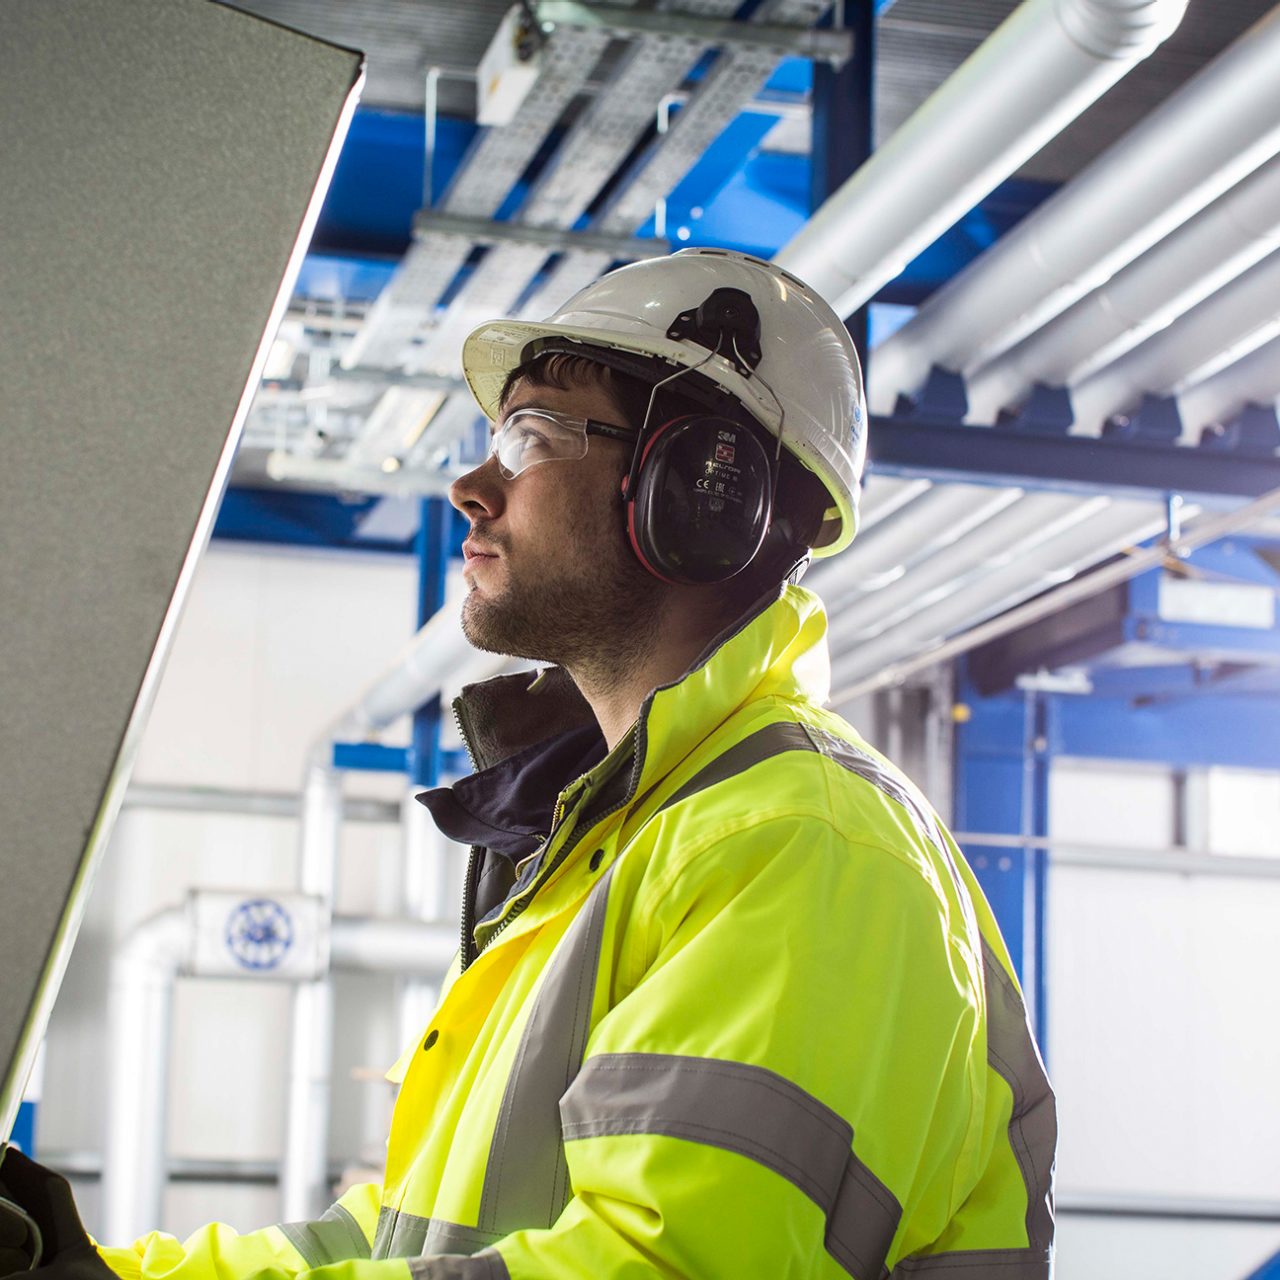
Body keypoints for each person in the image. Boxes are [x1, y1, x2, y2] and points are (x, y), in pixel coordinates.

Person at [0, 248, 1055, 1280]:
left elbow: (650, 1265)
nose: (469, 485)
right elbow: (403, 1236)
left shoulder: (794, 842)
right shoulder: (625, 840)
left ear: (699, 489)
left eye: (529, 434)